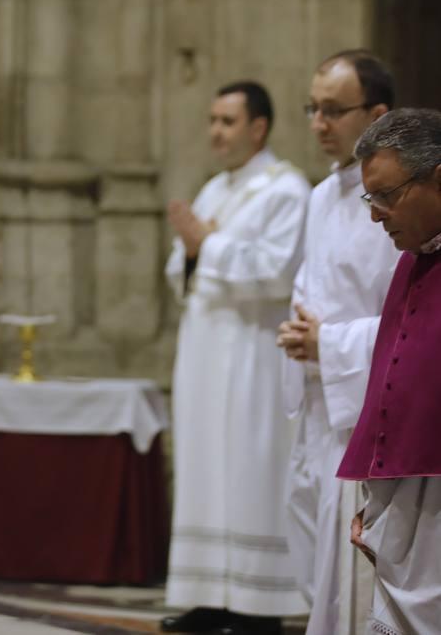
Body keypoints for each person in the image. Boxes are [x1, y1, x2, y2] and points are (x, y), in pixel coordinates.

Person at [162, 81, 311, 635]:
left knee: (252, 468)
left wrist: (209, 246)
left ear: (259, 127)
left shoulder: (286, 189)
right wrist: (199, 250)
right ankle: (209, 595)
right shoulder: (214, 190)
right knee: (205, 467)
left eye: (227, 121)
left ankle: (258, 604)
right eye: (212, 120)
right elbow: (179, 266)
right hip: (204, 352)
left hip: (253, 353)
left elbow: (279, 269)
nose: (215, 132)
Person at [277, 52, 399, 635]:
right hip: (323, 398)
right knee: (317, 556)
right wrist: (300, 333)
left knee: (353, 571)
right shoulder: (321, 194)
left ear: (377, 113)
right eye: (313, 109)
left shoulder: (403, 200)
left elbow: (410, 318)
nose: (319, 123)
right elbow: (311, 281)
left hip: (368, 403)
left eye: (333, 110)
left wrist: (329, 342)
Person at [338, 108, 441, 634]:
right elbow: (394, 387)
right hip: (410, 509)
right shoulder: (413, 259)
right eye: (369, 197)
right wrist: (375, 503)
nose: (375, 214)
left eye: (387, 195)